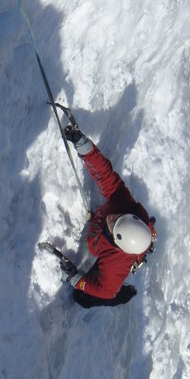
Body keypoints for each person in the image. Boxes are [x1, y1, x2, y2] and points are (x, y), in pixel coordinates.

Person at [60, 122, 156, 308]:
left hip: (119, 262)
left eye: (113, 226)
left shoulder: (115, 264)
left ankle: (125, 295)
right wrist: (85, 147)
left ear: (117, 242)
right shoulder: (126, 206)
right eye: (119, 218)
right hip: (136, 234)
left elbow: (106, 291)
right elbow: (105, 175)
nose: (112, 218)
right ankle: (147, 239)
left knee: (83, 298)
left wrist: (75, 279)